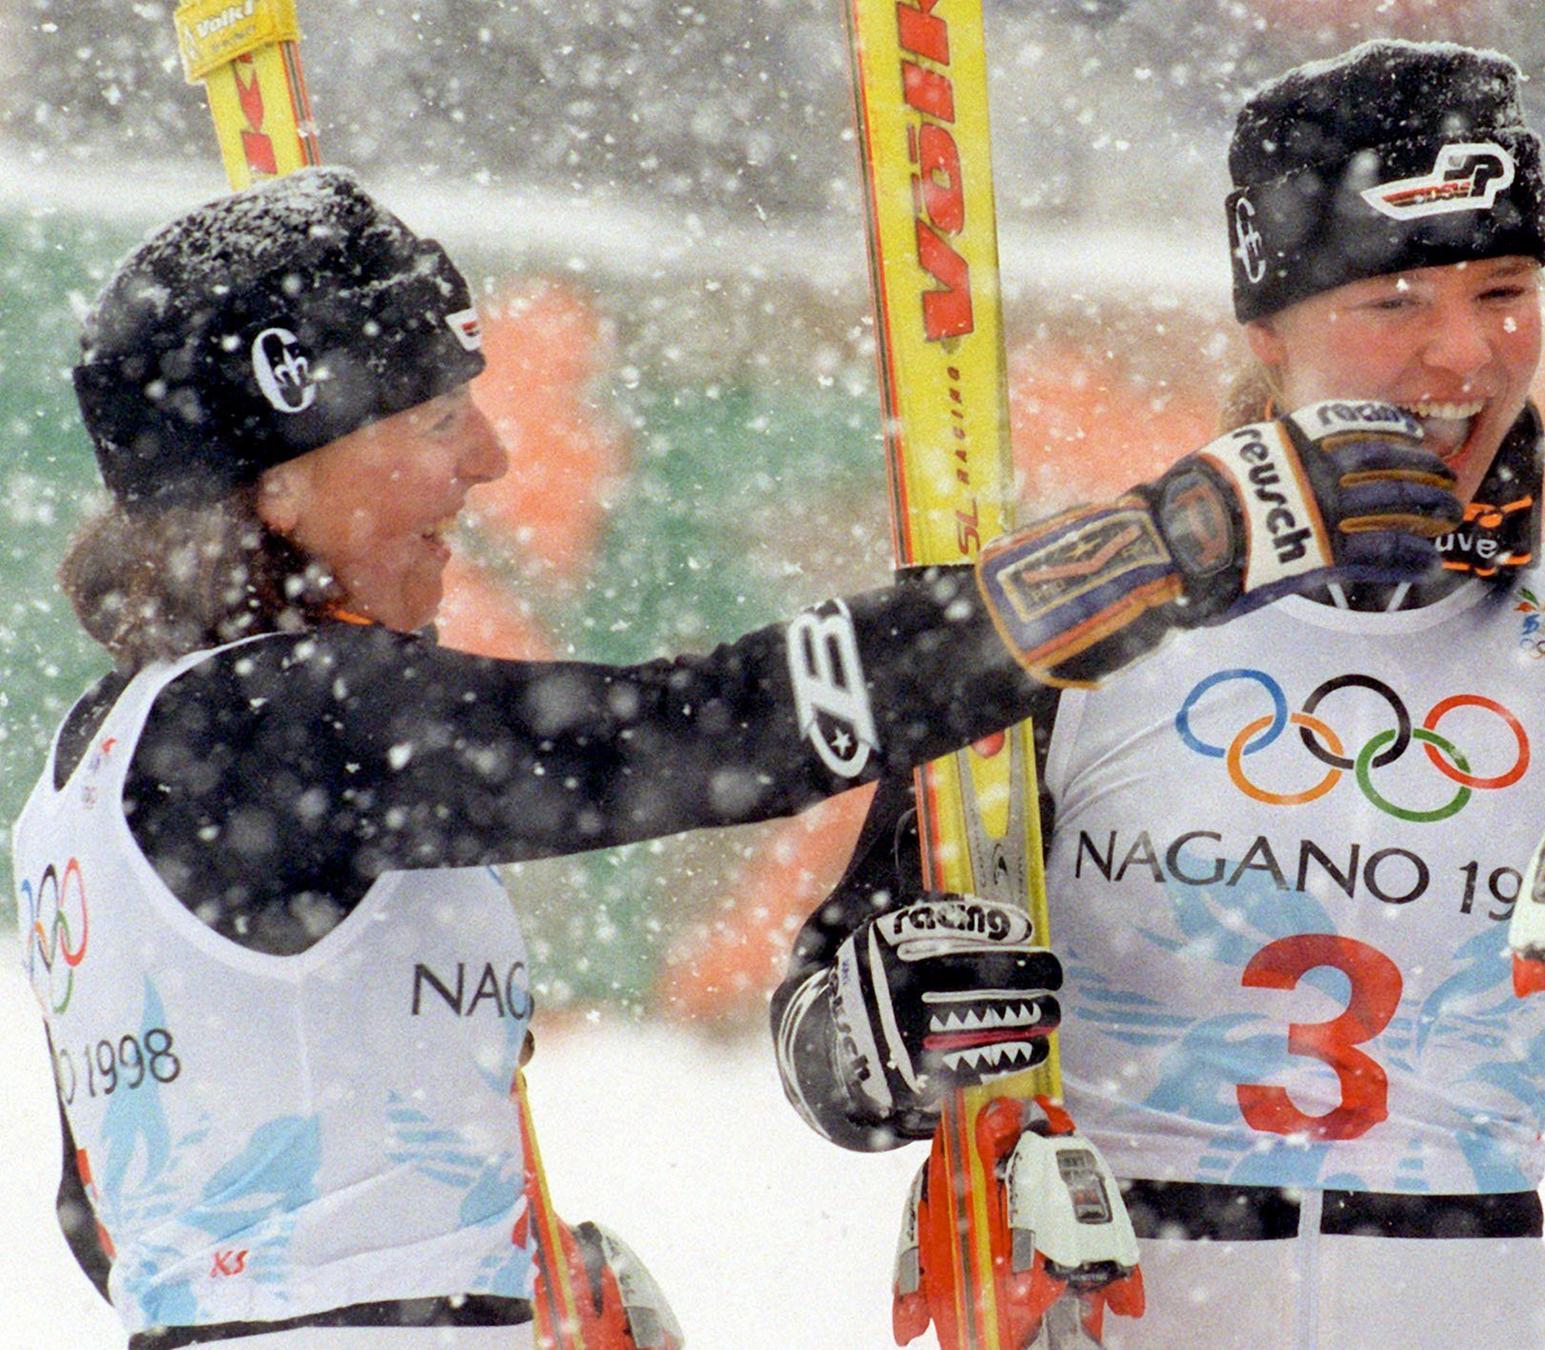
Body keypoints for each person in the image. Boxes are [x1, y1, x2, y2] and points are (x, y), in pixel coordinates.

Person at [14, 166, 1460, 1349]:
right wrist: (1176, 543)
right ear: (281, 471)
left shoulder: (106, 755)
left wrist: (480, 1295)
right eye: (440, 418)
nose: (491, 462)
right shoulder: (268, 719)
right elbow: (693, 734)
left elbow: (117, 1218)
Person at [775, 39, 1545, 1348]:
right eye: (1395, 302)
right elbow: (830, 1045)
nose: (1464, 358)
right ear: (1266, 329)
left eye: (1504, 289)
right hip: (1124, 1303)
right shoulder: (1081, 617)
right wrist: (879, 1032)